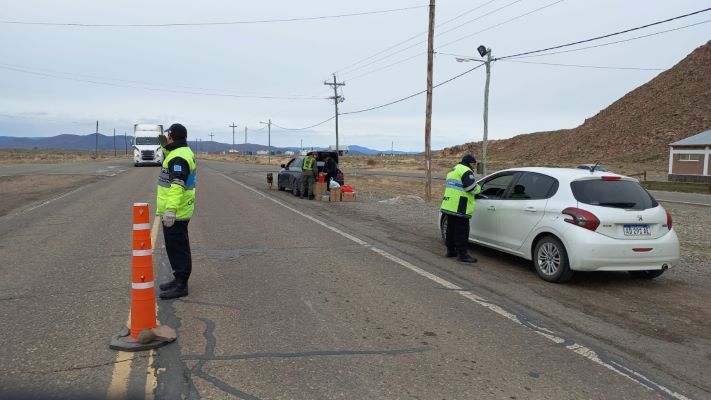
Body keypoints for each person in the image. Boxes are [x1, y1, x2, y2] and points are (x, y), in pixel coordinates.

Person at [156, 123, 197, 299]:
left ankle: (182, 284)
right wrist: (166, 147)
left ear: (172, 136)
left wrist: (170, 209)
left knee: (178, 247)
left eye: (168, 136)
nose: (167, 137)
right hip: (181, 209)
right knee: (175, 247)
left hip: (177, 211)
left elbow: (177, 185)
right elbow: (171, 157)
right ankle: (178, 278)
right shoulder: (179, 152)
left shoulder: (179, 157)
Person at [440, 154, 481, 263]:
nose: (474, 167)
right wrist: (479, 189)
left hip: (449, 204)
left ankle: (450, 250)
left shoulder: (453, 170)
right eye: (473, 164)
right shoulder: (466, 171)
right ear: (469, 163)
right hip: (460, 205)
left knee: (451, 229)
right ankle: (462, 254)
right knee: (462, 231)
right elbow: (470, 188)